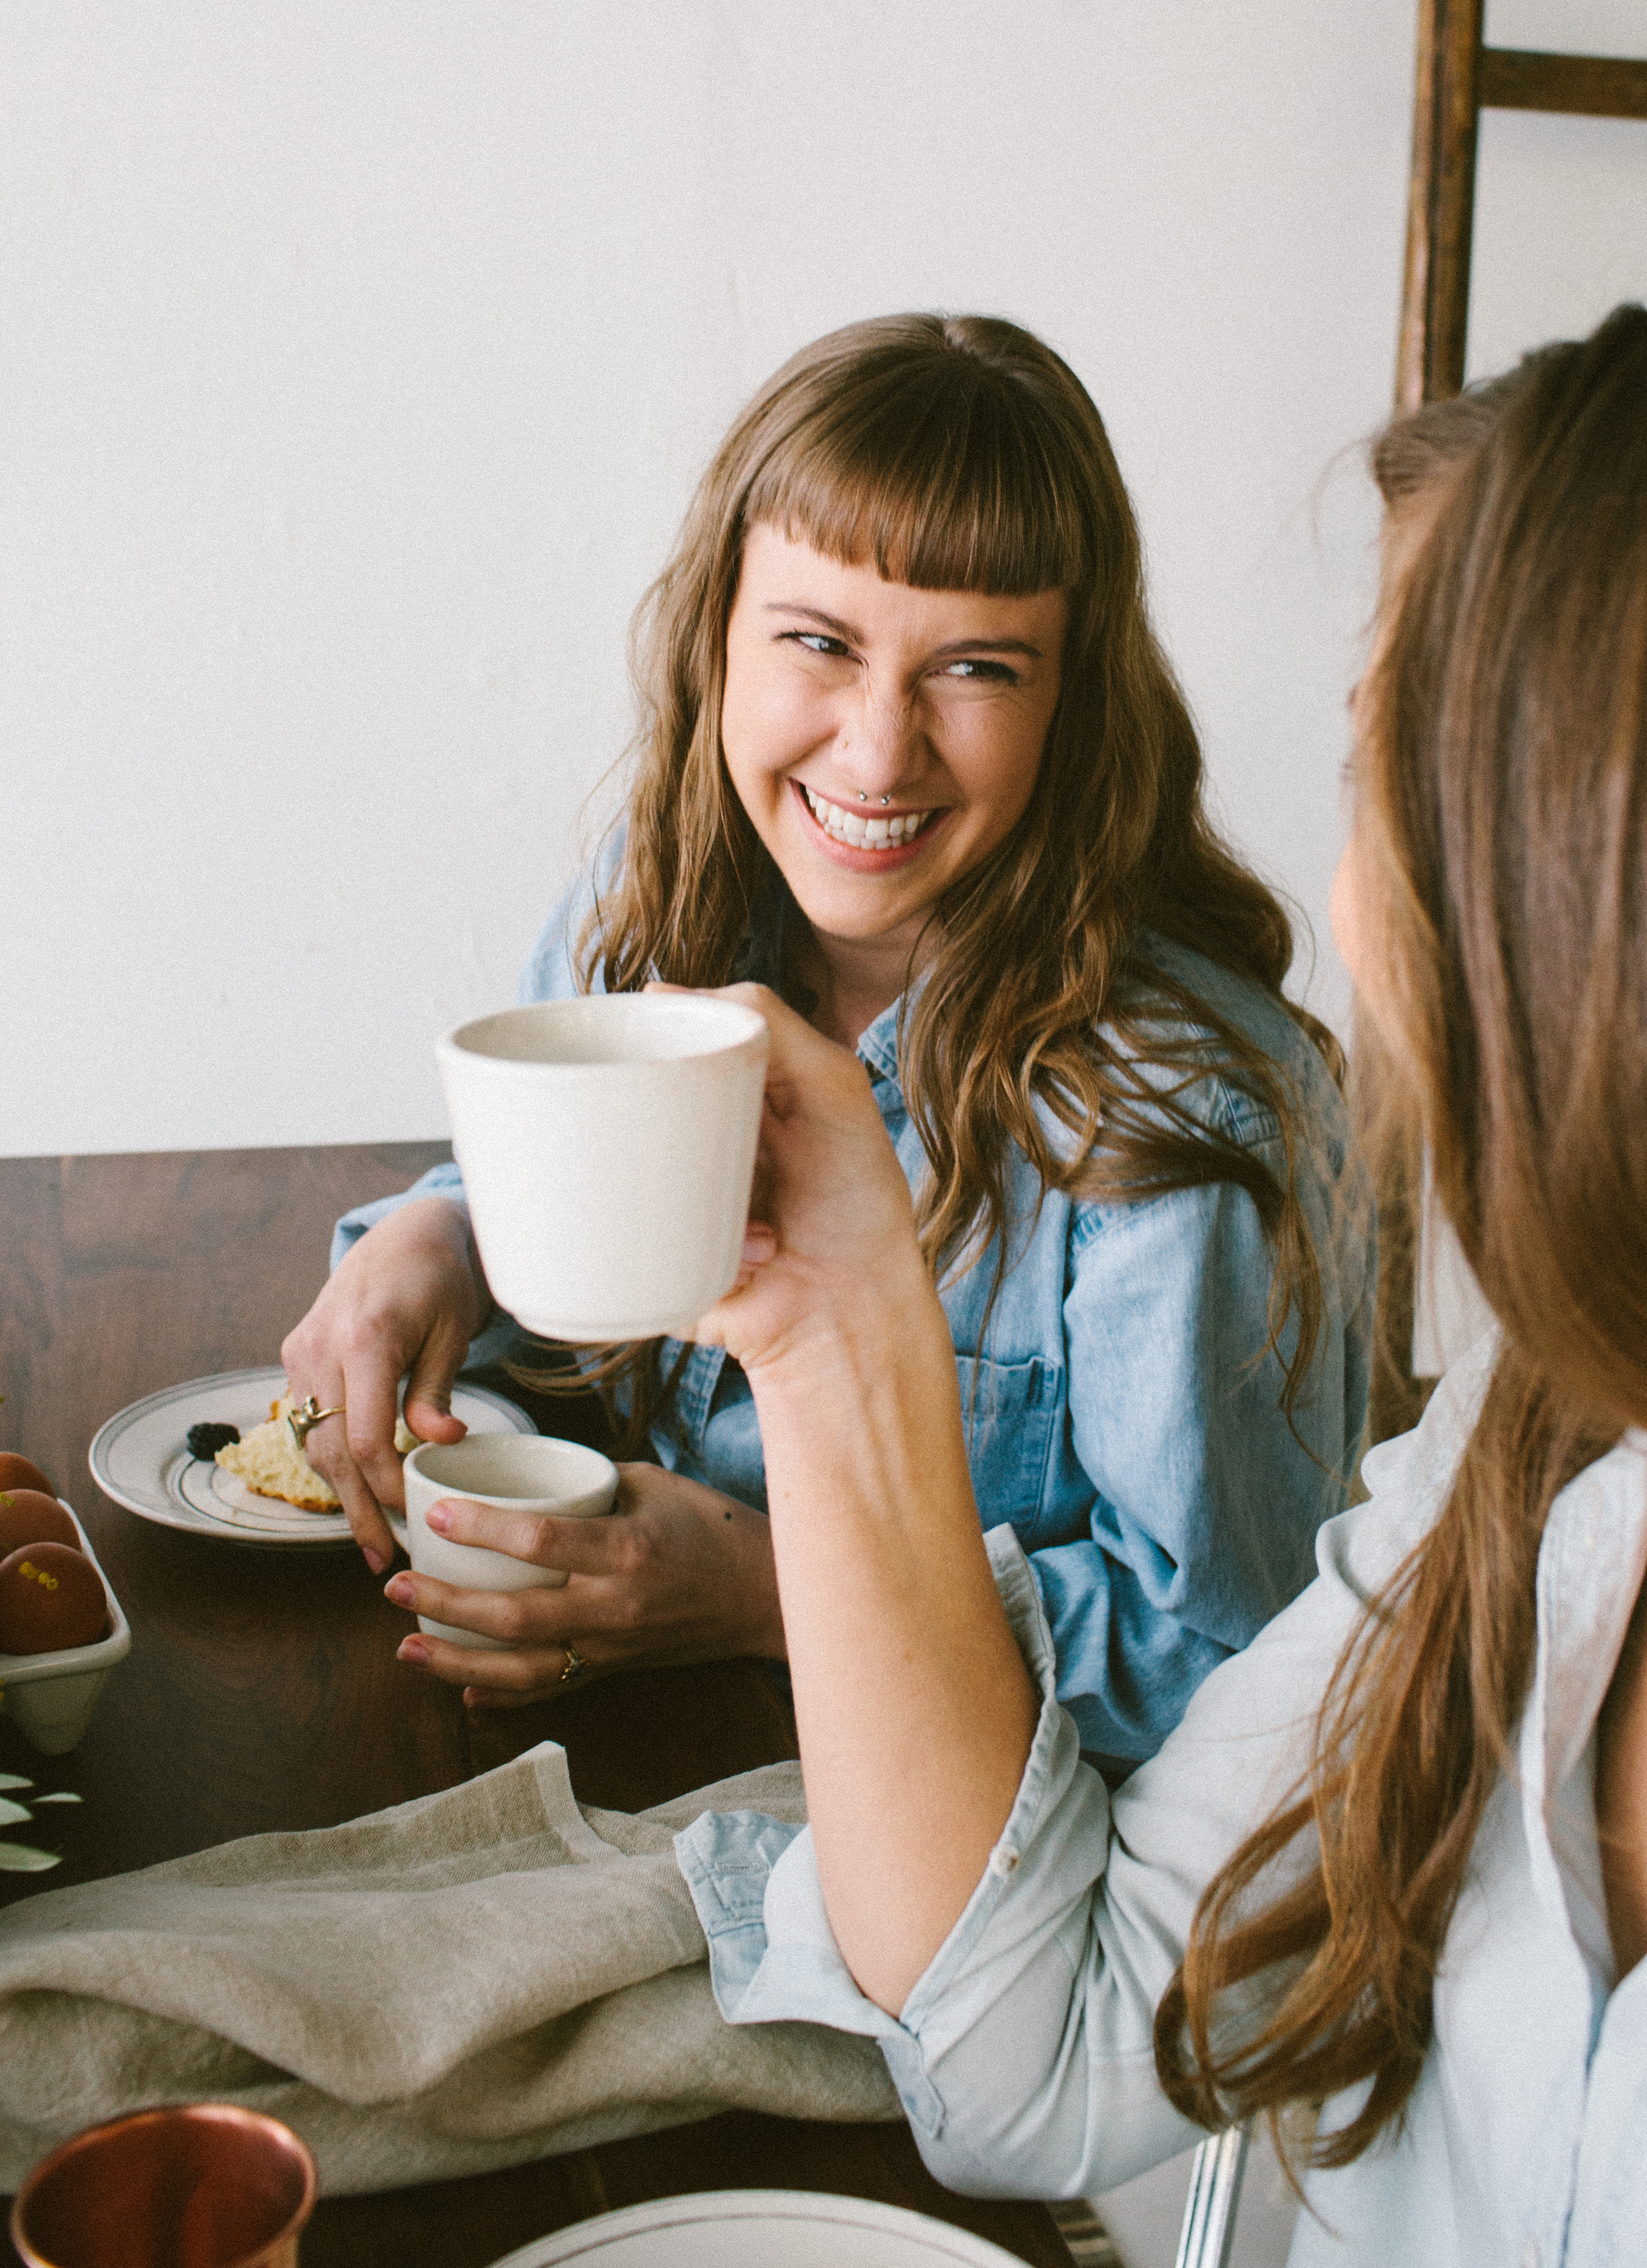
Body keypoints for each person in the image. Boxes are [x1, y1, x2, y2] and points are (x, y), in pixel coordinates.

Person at [664, 304, 1647, 2263]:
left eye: (1381, 770)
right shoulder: (1512, 1457)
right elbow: (1024, 2061)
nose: (1342, 910)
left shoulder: (1188, 1102)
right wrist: (836, 1313)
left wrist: (718, 1568)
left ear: (1559, 889)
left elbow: (1183, 1630)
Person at [285, 314, 1371, 1774]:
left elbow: (1228, 1654)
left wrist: (760, 1594)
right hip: (623, 1758)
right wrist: (442, 1240)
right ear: (715, 636)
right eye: (817, 643)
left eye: (976, 669)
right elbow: (570, 1242)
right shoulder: (645, 911)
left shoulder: (1186, 1112)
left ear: (1075, 699)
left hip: (989, 1852)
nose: (874, 753)